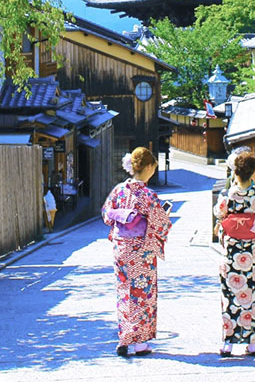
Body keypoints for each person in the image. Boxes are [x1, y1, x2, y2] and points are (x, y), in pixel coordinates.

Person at [100, 147, 172, 357]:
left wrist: (123, 217)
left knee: (125, 293)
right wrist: (164, 216)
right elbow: (161, 225)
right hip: (141, 250)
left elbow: (106, 214)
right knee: (142, 294)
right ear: (148, 167)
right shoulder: (148, 195)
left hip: (121, 247)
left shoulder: (118, 190)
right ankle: (140, 343)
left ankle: (124, 338)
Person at [213, 149, 255, 357]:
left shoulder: (227, 195)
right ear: (254, 171)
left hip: (232, 252)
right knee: (254, 295)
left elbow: (218, 213)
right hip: (253, 253)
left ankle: (228, 343)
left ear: (234, 172)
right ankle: (252, 343)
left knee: (230, 296)